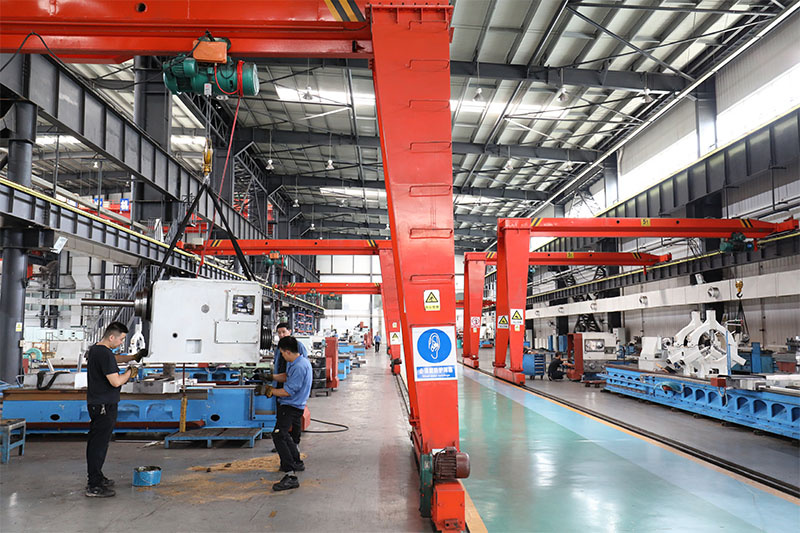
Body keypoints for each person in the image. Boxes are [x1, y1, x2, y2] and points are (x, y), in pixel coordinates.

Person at [85, 321, 146, 497]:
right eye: (121, 339)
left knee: (97, 443)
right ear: (112, 337)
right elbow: (116, 381)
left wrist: (133, 357)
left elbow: (113, 359)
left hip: (98, 403)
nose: (121, 343)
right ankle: (94, 485)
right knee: (98, 445)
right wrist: (130, 373)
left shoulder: (97, 349)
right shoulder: (104, 353)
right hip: (104, 405)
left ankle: (97, 476)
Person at [258, 336, 312, 491]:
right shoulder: (298, 362)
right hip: (292, 405)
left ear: (288, 352)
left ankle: (290, 475)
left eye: (282, 353)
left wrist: (268, 390)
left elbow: (288, 391)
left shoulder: (299, 366)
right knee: (284, 434)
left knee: (279, 435)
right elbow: (288, 377)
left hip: (291, 406)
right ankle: (297, 462)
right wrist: (271, 377)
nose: (281, 356)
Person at [266, 322, 307, 449]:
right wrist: (272, 377)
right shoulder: (279, 348)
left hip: (293, 384)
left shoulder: (298, 346)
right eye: (279, 333)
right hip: (281, 381)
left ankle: (295, 442)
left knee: (294, 417)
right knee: (281, 413)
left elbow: (301, 366)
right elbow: (278, 363)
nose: (281, 335)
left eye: (284, 332)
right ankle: (283, 441)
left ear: (290, 331)